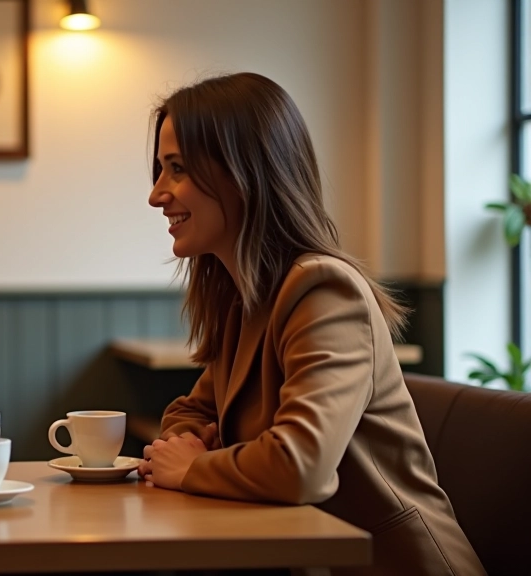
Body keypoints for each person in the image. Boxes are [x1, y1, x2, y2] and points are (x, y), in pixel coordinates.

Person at [137, 73, 484, 575]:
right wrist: (193, 450)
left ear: (243, 174)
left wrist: (194, 466)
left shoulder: (322, 291)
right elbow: (188, 414)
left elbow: (300, 467)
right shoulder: (246, 299)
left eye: (177, 169)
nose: (156, 195)